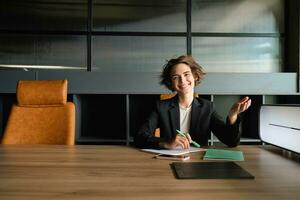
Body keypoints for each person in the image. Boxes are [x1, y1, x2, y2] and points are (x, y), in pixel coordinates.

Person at [134, 55, 251, 149]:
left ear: (195, 76)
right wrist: (165, 143)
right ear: (171, 83)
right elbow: (140, 137)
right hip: (168, 161)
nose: (182, 81)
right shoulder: (161, 107)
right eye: (176, 77)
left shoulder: (207, 107)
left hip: (198, 162)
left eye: (186, 75)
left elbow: (231, 142)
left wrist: (233, 115)